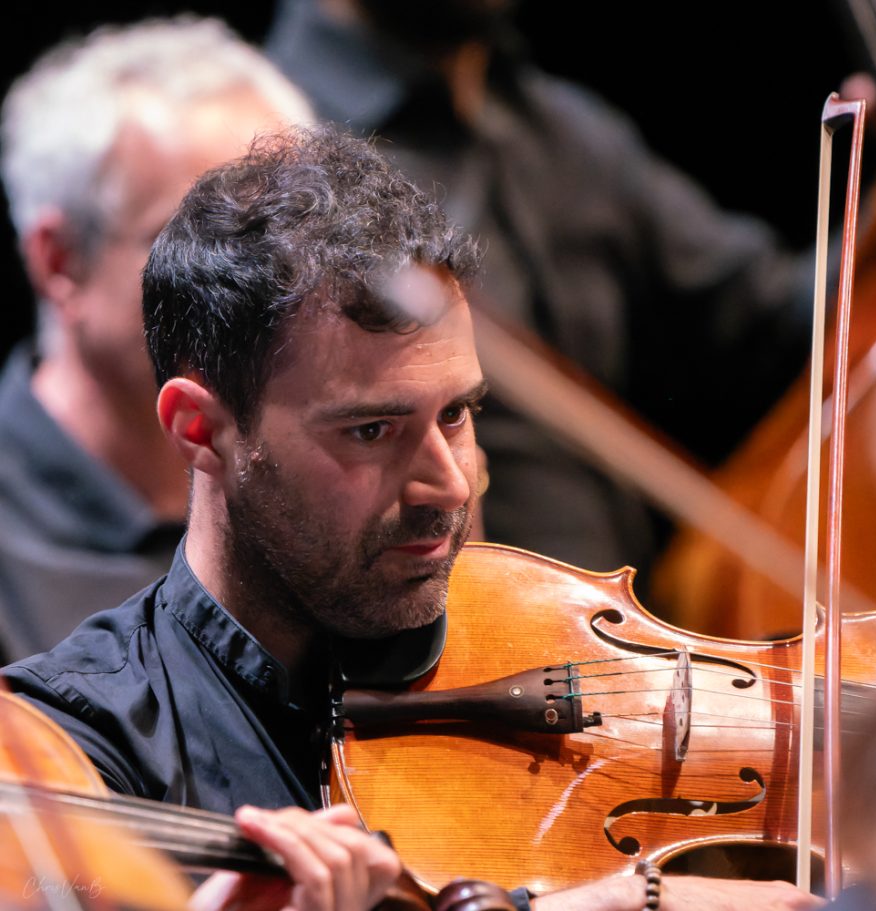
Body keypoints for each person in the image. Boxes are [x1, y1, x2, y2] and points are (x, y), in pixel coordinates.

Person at [4, 124, 816, 911]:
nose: (450, 484)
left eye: (455, 414)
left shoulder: (521, 644)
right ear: (200, 430)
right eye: (371, 430)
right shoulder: (75, 745)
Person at [264, 0, 815, 584]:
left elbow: (769, 317)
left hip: (621, 616)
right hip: (439, 625)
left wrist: (875, 215)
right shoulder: (272, 143)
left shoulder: (561, 129)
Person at [0, 17, 313, 663]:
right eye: (203, 241)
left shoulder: (313, 484)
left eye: (286, 233)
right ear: (60, 262)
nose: (270, 286)